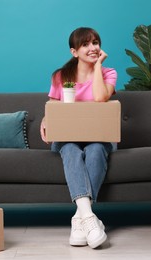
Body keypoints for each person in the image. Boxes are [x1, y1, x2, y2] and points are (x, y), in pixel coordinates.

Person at [40, 27, 117, 249]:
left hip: (98, 136)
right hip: (67, 137)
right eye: (85, 44)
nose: (92, 48)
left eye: (95, 42)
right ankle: (90, 218)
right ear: (74, 52)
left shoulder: (108, 73)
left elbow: (101, 98)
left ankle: (80, 218)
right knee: (72, 149)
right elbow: (54, 105)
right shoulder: (61, 76)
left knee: (95, 150)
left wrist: (98, 66)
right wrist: (47, 120)